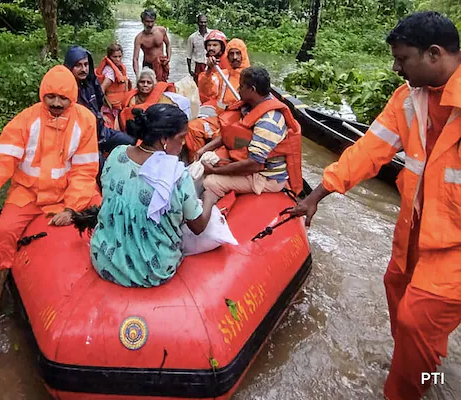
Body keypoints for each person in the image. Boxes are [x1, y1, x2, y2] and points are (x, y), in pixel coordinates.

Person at [285, 12, 461, 400]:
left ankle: (403, 391)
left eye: (403, 60)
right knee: (397, 291)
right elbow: (368, 151)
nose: (396, 69)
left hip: (455, 248)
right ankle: (422, 370)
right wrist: (317, 194)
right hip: (416, 227)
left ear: (434, 54)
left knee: (416, 319)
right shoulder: (409, 99)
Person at [0, 65, 102, 360]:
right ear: (42, 95)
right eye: (51, 97)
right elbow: (1, 164)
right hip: (27, 194)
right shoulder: (25, 121)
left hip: (68, 194)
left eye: (62, 98)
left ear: (73, 98)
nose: (56, 104)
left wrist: (72, 209)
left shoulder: (85, 121)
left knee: (96, 221)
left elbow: (84, 172)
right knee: (2, 235)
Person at [73, 104, 218, 288]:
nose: (183, 144)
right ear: (164, 139)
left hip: (104, 259)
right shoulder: (178, 175)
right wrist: (209, 199)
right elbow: (198, 226)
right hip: (151, 272)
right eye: (181, 138)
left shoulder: (117, 154)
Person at [195, 66, 303, 197]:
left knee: (210, 182)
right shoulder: (249, 107)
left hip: (265, 176)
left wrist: (215, 170)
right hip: (251, 163)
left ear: (252, 90)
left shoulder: (268, 122)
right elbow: (230, 135)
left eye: (241, 86)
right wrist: (203, 150)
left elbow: (254, 164)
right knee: (206, 160)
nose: (238, 90)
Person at [64, 46, 136, 164]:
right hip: (83, 140)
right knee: (100, 167)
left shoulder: (91, 84)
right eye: (78, 65)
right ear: (69, 67)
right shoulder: (64, 91)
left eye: (86, 65)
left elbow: (98, 102)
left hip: (102, 132)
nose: (84, 69)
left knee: (132, 142)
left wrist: (101, 114)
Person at [186, 38, 253, 159]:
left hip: (240, 122)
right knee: (192, 128)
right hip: (221, 118)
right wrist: (209, 71)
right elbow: (207, 92)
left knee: (223, 137)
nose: (235, 57)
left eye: (238, 53)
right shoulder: (223, 74)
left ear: (244, 54)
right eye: (231, 53)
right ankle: (194, 163)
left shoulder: (252, 76)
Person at [95, 43, 131, 130]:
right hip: (110, 108)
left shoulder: (120, 68)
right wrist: (100, 113)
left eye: (119, 56)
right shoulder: (110, 71)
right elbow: (101, 90)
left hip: (119, 107)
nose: (118, 59)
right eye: (115, 57)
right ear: (109, 57)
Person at [133, 9, 171, 82]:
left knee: (162, 86)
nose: (150, 24)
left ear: (155, 21)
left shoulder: (161, 30)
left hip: (161, 64)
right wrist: (137, 75)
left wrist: (168, 58)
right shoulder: (139, 38)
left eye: (152, 21)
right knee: (148, 87)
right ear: (142, 21)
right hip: (148, 65)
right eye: (147, 21)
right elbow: (135, 59)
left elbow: (168, 44)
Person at [197, 30, 228, 104]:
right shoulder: (211, 61)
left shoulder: (228, 61)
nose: (211, 48)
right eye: (209, 45)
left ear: (222, 47)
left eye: (215, 45)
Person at [186, 14, 212, 84]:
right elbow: (189, 55)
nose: (203, 24)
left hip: (210, 65)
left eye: (205, 22)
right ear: (198, 23)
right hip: (198, 66)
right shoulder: (192, 37)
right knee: (198, 86)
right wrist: (190, 70)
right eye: (201, 22)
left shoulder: (212, 35)